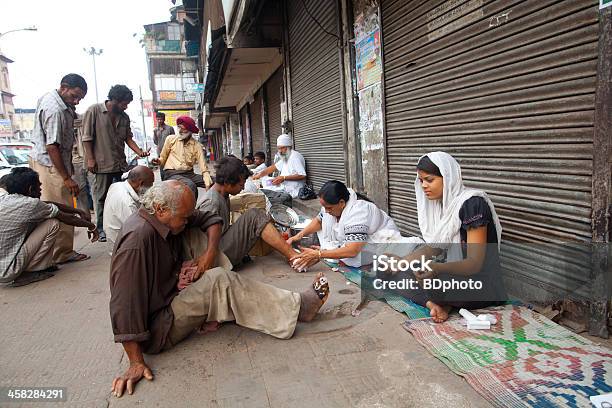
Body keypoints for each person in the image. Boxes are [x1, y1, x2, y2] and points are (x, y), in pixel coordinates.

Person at [109, 180, 330, 398]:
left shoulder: (164, 216)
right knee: (219, 281)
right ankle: (299, 308)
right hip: (160, 325)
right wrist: (136, 362)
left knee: (192, 234)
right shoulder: (137, 242)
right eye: (183, 217)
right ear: (160, 209)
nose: (186, 220)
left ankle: (228, 297)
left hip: (171, 286)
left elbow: (209, 219)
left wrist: (208, 255)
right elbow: (123, 305)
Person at [394, 152, 507, 323]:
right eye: (421, 181)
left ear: (447, 177)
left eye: (429, 180)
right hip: (453, 278)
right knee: (396, 272)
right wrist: (400, 263)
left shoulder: (473, 204)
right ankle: (434, 305)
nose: (424, 185)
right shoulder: (441, 206)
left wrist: (437, 268)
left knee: (435, 282)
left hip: (481, 284)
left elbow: (474, 264)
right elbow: (434, 248)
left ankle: (440, 301)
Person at [0, 168, 99, 286]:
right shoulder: (32, 205)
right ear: (30, 189)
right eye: (39, 185)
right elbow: (67, 218)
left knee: (42, 218)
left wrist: (77, 210)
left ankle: (30, 267)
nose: (41, 188)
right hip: (8, 270)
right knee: (52, 223)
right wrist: (91, 226)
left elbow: (48, 204)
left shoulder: (6, 199)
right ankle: (31, 270)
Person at [29, 73, 91, 264]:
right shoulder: (55, 109)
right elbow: (52, 146)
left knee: (53, 207)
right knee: (60, 208)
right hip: (51, 166)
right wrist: (66, 177)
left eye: (80, 98)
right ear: (63, 87)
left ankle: (54, 252)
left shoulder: (58, 103)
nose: (77, 101)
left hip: (49, 163)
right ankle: (62, 253)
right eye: (75, 96)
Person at [198, 156, 301, 268]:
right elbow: (203, 244)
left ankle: (290, 252)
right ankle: (294, 257)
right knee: (254, 215)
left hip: (221, 246)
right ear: (227, 183)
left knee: (254, 218)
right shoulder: (211, 202)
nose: (242, 189)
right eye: (241, 185)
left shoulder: (223, 194)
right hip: (216, 257)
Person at [82, 84, 151, 242]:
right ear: (114, 100)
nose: (125, 107)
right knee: (101, 197)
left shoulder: (124, 117)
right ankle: (101, 229)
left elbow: (128, 138)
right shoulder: (94, 111)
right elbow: (87, 138)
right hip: (101, 164)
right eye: (124, 103)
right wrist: (90, 159)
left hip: (119, 164)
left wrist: (140, 152)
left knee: (124, 194)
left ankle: (124, 223)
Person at [289, 180, 402, 269]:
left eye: (329, 208)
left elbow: (353, 250)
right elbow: (319, 220)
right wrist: (299, 235)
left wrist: (319, 254)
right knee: (323, 227)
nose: (326, 210)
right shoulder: (331, 207)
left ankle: (331, 251)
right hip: (351, 241)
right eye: (324, 207)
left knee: (354, 258)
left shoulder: (359, 211)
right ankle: (331, 251)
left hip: (380, 240)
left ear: (342, 203)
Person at [151, 116, 212, 197]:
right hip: (172, 174)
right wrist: (158, 161)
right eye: (179, 128)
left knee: (215, 181)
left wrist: (208, 181)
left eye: (183, 129)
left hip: (189, 174)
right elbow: (162, 158)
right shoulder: (170, 139)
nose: (180, 131)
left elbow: (203, 167)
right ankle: (191, 209)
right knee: (190, 186)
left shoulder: (197, 145)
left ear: (190, 130)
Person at [102, 166, 154, 246]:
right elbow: (138, 231)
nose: (151, 186)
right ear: (141, 183)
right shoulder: (127, 203)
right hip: (122, 246)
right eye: (151, 183)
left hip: (119, 237)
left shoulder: (117, 185)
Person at [252, 134, 306, 206]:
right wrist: (259, 175)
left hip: (294, 189)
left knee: (263, 194)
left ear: (288, 147)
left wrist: (283, 178)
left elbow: (302, 175)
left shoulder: (295, 157)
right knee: (264, 181)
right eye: (278, 148)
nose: (279, 151)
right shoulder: (286, 156)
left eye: (282, 148)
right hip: (284, 185)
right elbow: (274, 167)